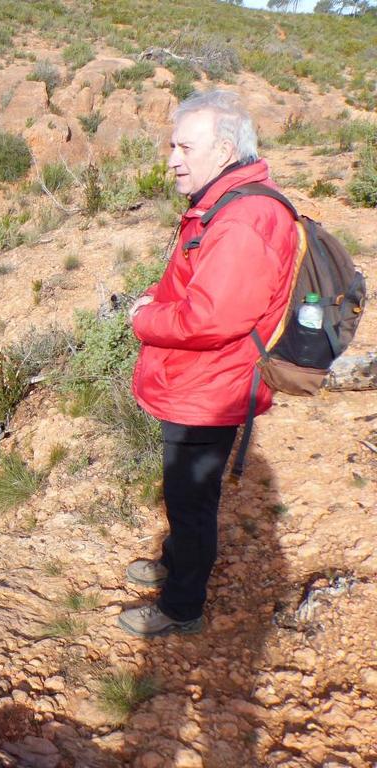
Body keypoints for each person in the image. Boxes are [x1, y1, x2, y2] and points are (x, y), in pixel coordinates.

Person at [121, 90, 299, 637]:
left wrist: (143, 320)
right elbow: (191, 284)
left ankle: (181, 608)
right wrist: (157, 297)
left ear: (223, 150)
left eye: (184, 146)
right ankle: (176, 562)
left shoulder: (245, 219)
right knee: (184, 492)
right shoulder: (225, 203)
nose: (172, 158)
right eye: (171, 144)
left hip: (212, 388)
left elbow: (210, 318)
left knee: (193, 500)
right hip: (198, 381)